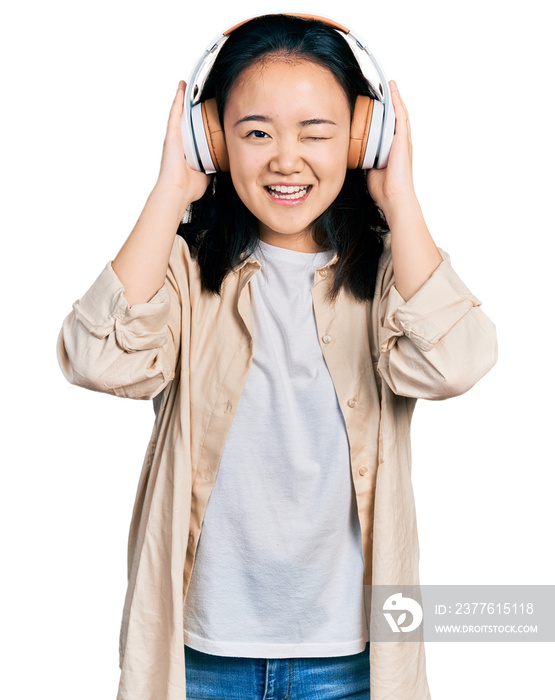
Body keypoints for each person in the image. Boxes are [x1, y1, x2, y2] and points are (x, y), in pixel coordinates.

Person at [57, 13, 497, 700]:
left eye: (315, 132)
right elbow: (97, 359)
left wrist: (400, 196)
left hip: (351, 658)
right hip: (199, 656)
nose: (284, 159)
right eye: (255, 132)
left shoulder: (390, 276)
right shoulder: (180, 271)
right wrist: (171, 190)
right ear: (212, 140)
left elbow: (457, 363)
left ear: (360, 139)